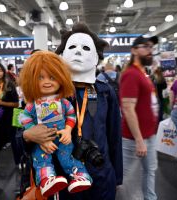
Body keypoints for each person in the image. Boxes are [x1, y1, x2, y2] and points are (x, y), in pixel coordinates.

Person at [22, 23, 122, 200]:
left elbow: (114, 136)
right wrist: (28, 135)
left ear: (96, 56)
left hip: (100, 175)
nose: (78, 52)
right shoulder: (43, 91)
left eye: (85, 48)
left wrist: (117, 176)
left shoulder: (105, 92)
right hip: (62, 180)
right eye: (72, 47)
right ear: (62, 54)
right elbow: (19, 129)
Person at [19, 51, 92, 197]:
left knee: (68, 157)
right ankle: (46, 179)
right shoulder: (28, 104)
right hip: (41, 145)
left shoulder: (66, 101)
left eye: (52, 77)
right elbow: (22, 120)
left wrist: (67, 130)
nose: (47, 82)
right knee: (42, 158)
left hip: (63, 139)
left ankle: (79, 175)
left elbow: (71, 115)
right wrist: (30, 134)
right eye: (40, 77)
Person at [119, 35, 159, 200]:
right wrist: (139, 139)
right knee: (121, 177)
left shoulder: (143, 74)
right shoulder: (131, 74)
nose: (150, 50)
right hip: (134, 138)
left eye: (151, 47)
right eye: (145, 46)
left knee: (150, 171)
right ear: (134, 50)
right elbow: (128, 108)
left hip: (149, 135)